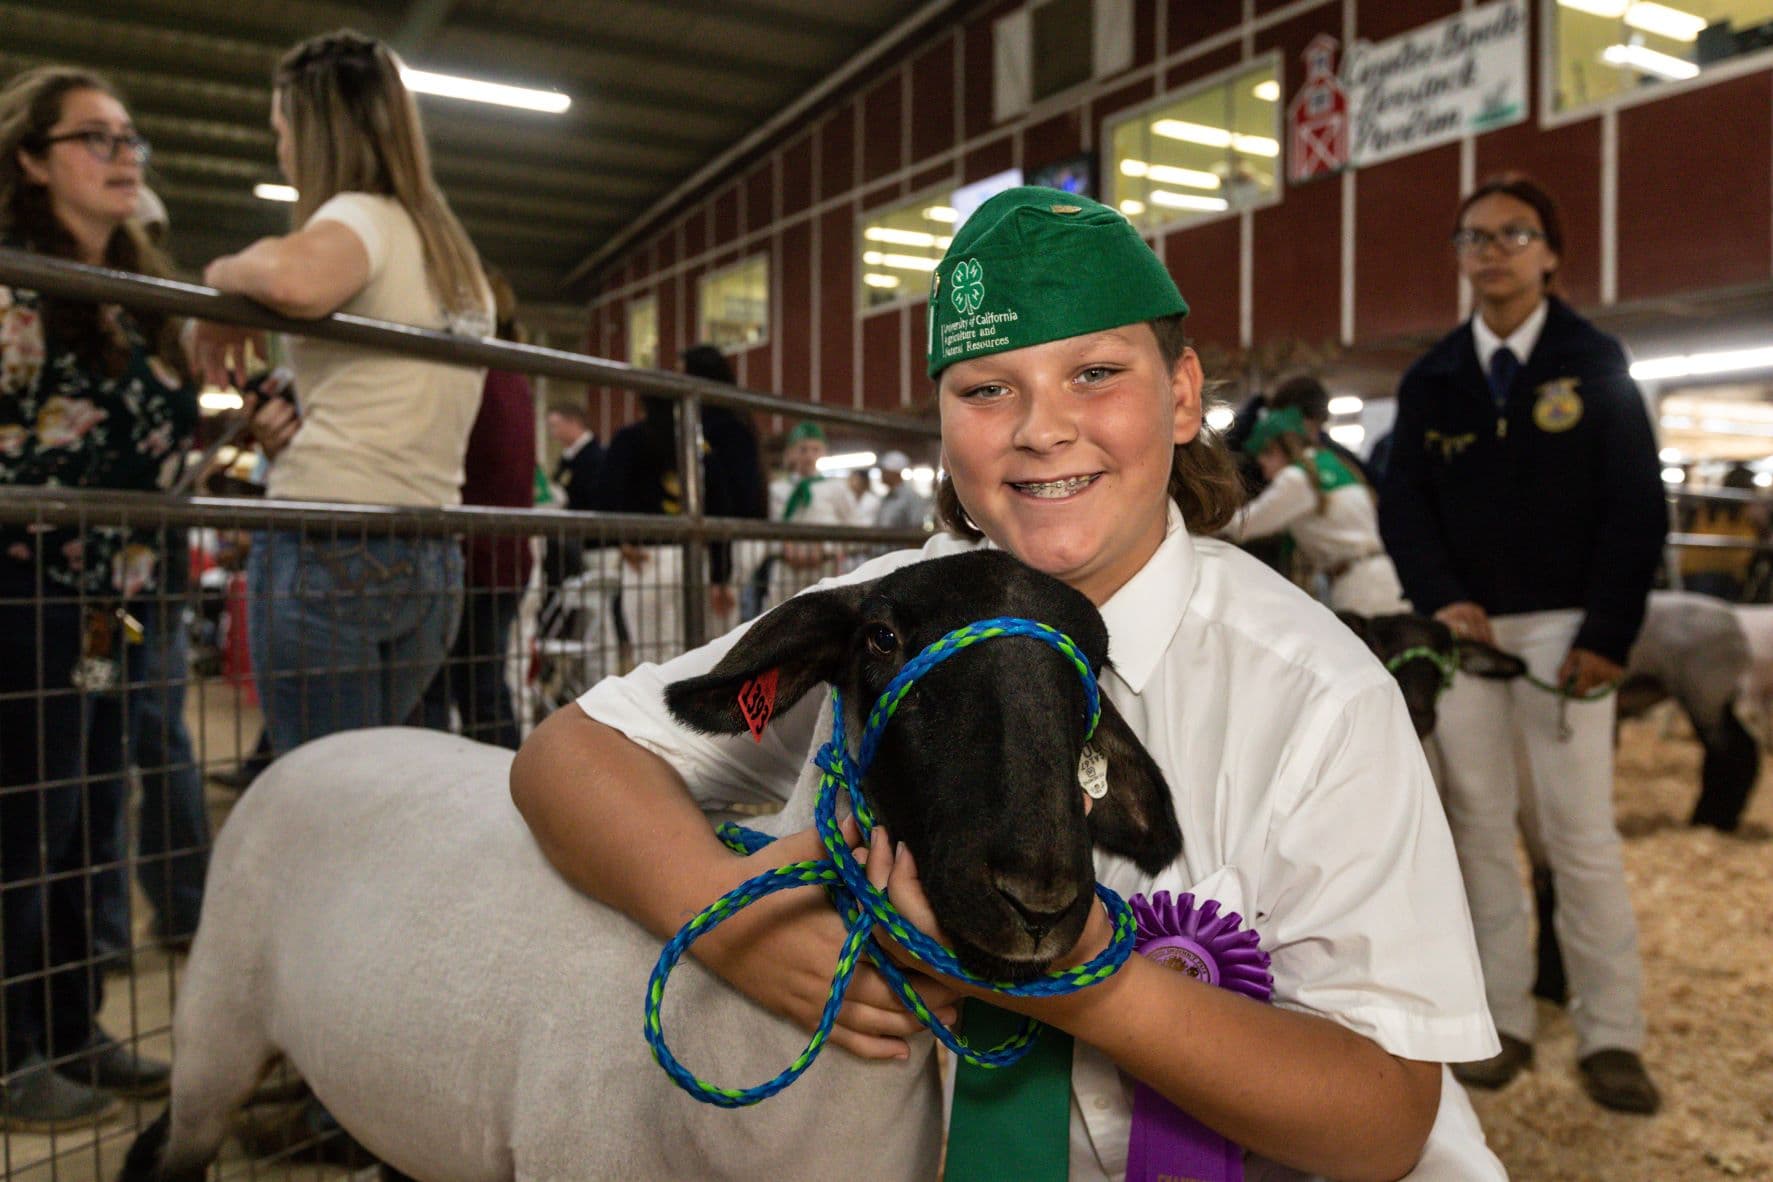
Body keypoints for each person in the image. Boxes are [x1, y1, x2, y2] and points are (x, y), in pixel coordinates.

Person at [512, 186, 1506, 1180]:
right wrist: (730, 922)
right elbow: (572, 753)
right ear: (944, 424)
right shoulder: (878, 623)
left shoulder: (1319, 698)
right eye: (986, 390)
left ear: (1183, 393)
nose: (1040, 428)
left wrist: (1091, 984)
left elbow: (1383, 1124)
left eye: (1096, 374)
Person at [1378, 175, 1667, 1114]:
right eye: (1473, 236)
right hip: (1465, 632)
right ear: (1459, 257)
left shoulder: (1595, 362)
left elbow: (1636, 507)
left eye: (1513, 233)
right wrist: (1440, 599)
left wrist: (1608, 634)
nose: (1491, 250)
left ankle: (1611, 1033)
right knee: (1477, 830)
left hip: (1566, 630)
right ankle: (1499, 1018)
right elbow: (1404, 507)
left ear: (1550, 254)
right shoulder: (1431, 379)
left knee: (1578, 836)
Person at [194, 29, 492, 758]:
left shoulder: (356, 215)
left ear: (314, 130)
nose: (282, 151)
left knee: (320, 784)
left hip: (331, 538)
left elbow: (291, 281)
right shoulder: (447, 246)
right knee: (374, 774)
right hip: (428, 548)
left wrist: (218, 272)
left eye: (283, 130)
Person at [0, 64, 186, 1128]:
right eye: (93, 138)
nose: (122, 155)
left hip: (117, 602)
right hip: (24, 592)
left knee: (87, 825)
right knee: (25, 825)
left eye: (129, 138)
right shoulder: (20, 294)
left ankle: (70, 1025)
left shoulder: (139, 298)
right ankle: (6, 1045)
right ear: (31, 160)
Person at [412, 271, 535, 749]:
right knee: (482, 687)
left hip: (476, 559)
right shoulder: (512, 376)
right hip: (502, 557)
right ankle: (507, 789)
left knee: (448, 690)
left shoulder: (475, 374)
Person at [587, 342, 767, 661]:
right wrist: (720, 572)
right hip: (698, 553)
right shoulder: (702, 442)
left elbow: (605, 494)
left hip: (650, 554)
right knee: (699, 655)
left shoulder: (634, 440)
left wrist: (619, 538)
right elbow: (722, 503)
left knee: (651, 655)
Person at [1222, 402, 1408, 615]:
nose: (1263, 469)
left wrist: (1201, 523)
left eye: (1264, 457)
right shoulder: (1331, 462)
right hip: (1384, 576)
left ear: (1277, 450)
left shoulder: (1296, 479)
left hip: (1360, 589)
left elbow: (1245, 525)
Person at [541, 402, 602, 594]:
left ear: (573, 423)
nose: (553, 433)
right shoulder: (567, 458)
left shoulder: (595, 457)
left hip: (584, 537)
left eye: (555, 426)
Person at [873, 448, 930, 532]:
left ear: (895, 472)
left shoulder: (912, 498)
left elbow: (917, 528)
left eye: (884, 470)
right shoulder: (886, 498)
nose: (881, 473)